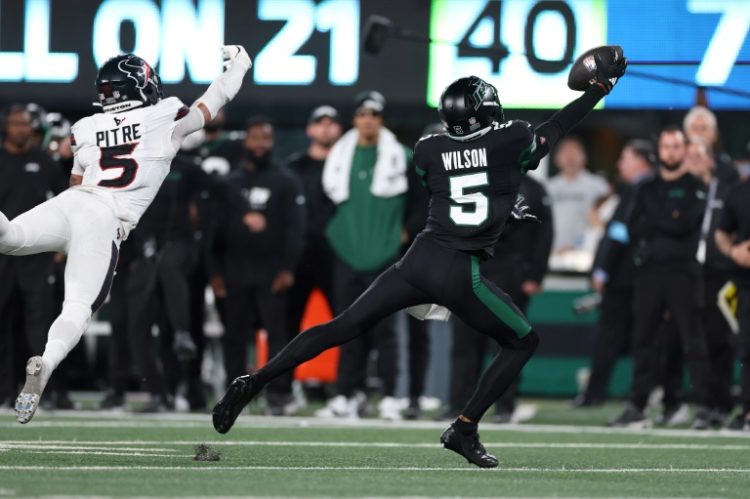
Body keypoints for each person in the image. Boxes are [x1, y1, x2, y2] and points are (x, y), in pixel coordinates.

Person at [213, 48, 627, 467]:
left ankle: (255, 380)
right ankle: (464, 427)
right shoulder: (513, 138)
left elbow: (463, 182)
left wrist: (507, 199)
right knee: (523, 342)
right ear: (485, 113)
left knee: (342, 326)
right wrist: (597, 89)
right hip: (459, 269)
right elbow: (554, 128)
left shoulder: (428, 149)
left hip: (416, 262)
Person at [3, 45, 252, 424]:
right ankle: (47, 362)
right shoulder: (164, 114)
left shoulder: (84, 127)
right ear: (142, 84)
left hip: (72, 202)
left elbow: (76, 183)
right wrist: (240, 65)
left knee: (12, 236)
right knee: (78, 307)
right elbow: (212, 101)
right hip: (106, 216)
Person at [315, 91, 424, 421]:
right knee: (347, 326)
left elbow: (423, 201)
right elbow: (323, 202)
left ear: (381, 120)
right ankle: (347, 394)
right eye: (362, 114)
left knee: (387, 331)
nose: (368, 120)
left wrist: (404, 232)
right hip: (347, 255)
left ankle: (390, 396)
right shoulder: (338, 158)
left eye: (374, 115)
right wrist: (336, 233)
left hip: (387, 256)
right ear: (354, 119)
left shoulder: (403, 157)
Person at [608, 127, 712, 429]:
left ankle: (703, 407)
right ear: (659, 150)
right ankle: (638, 404)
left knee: (693, 340)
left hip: (684, 273)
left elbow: (686, 224)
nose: (671, 152)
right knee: (643, 339)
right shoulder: (645, 187)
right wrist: (668, 223)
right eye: (666, 146)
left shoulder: (695, 186)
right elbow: (632, 225)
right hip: (650, 273)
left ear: (683, 150)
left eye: (676, 146)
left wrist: (659, 225)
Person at [211, 116, 305, 416]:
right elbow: (214, 231)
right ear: (246, 141)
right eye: (255, 138)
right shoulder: (230, 183)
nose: (260, 144)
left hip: (271, 273)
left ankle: (279, 394)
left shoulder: (286, 180)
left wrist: (288, 269)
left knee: (278, 337)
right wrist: (214, 273)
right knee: (234, 337)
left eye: (265, 138)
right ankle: (233, 397)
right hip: (235, 271)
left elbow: (296, 230)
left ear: (272, 141)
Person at [573, 140, 655, 407]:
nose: (620, 164)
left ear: (641, 162)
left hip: (623, 277)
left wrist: (604, 270)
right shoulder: (645, 188)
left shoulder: (638, 189)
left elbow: (619, 234)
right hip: (637, 275)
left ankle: (595, 393)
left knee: (611, 337)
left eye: (625, 158)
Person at [0, 106, 66, 408]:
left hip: (36, 256)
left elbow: (66, 204)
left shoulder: (45, 162)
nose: (19, 129)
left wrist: (60, 245)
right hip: (2, 257)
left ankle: (45, 391)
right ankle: (3, 391)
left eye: (23, 124)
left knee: (38, 326)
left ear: (32, 127)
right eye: (14, 123)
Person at [715, 176, 750, 431]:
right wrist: (732, 251)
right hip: (746, 282)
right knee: (747, 347)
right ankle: (748, 410)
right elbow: (721, 232)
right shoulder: (739, 191)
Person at [546, 137, 610, 255]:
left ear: (584, 157)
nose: (570, 158)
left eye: (575, 153)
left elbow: (604, 223)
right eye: (566, 153)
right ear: (557, 159)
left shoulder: (599, 186)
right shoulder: (547, 188)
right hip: (550, 253)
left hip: (583, 255)